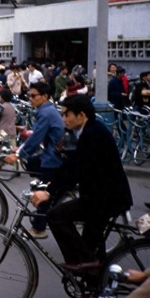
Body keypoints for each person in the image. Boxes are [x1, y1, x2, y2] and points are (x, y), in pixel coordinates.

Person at [30, 95, 132, 271]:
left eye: (66, 114)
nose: (63, 119)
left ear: (81, 114)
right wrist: (49, 184)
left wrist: (49, 191)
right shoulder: (88, 130)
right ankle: (96, 283)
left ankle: (79, 263)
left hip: (104, 199)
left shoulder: (93, 133)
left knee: (56, 215)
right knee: (91, 246)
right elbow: (73, 162)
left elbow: (77, 168)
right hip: (101, 196)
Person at [4, 82, 65, 239]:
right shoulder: (46, 110)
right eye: (29, 95)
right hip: (51, 152)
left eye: (33, 96)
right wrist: (22, 149)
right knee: (32, 162)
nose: (30, 99)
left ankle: (39, 228)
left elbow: (36, 136)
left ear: (44, 97)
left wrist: (18, 155)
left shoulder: (45, 113)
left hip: (54, 158)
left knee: (44, 189)